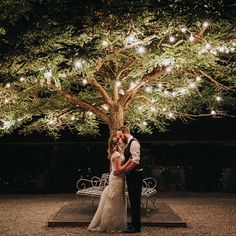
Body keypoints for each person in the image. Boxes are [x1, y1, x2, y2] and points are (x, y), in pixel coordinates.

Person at [87, 134, 132, 232]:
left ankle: (114, 223)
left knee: (115, 200)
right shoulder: (116, 154)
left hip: (117, 178)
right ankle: (111, 224)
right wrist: (129, 162)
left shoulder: (117, 152)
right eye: (119, 139)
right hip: (117, 179)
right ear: (117, 142)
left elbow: (112, 168)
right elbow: (118, 170)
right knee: (115, 201)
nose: (121, 139)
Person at [115, 126, 143, 233]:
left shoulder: (134, 143)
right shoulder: (129, 143)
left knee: (135, 201)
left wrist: (124, 170)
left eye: (120, 135)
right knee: (132, 200)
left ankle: (136, 227)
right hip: (132, 175)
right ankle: (134, 224)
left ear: (126, 132)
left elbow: (135, 161)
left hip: (135, 176)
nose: (120, 138)